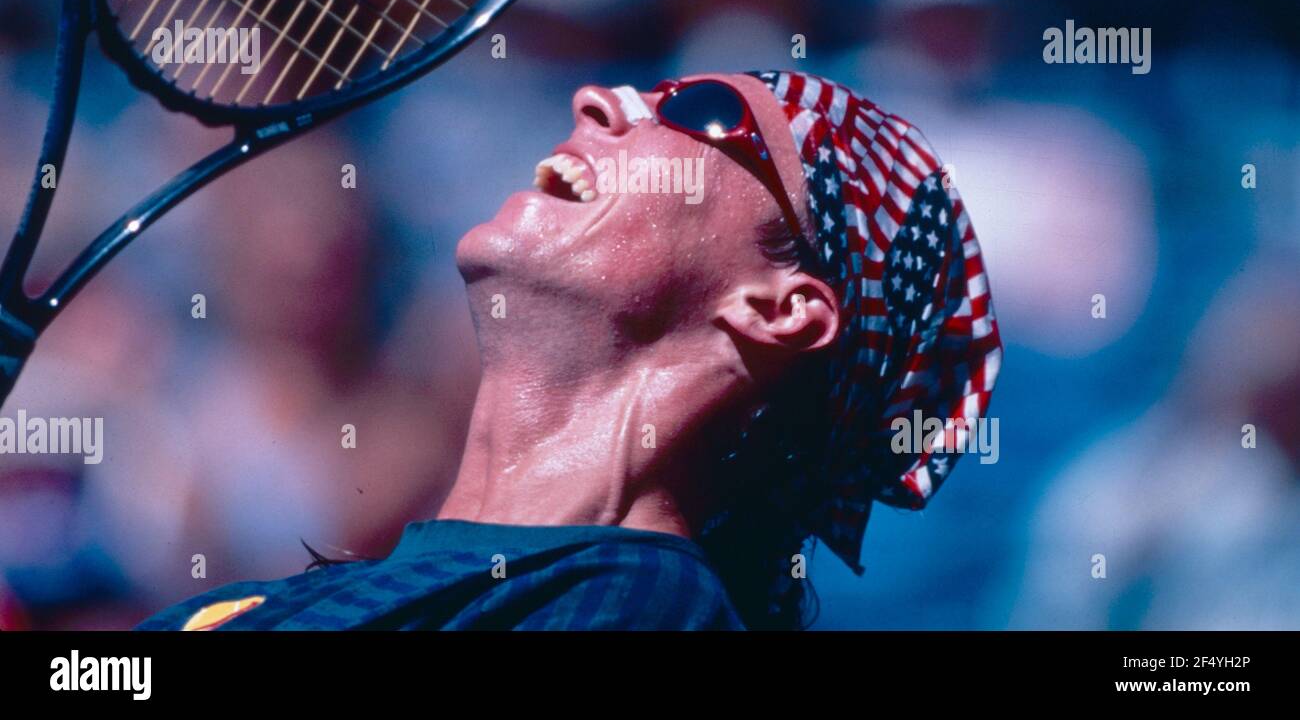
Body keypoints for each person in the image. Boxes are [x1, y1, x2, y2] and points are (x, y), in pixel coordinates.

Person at [137, 71, 1002, 631]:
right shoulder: (249, 603)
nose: (598, 100)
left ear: (778, 310)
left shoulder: (642, 605)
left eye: (706, 112)